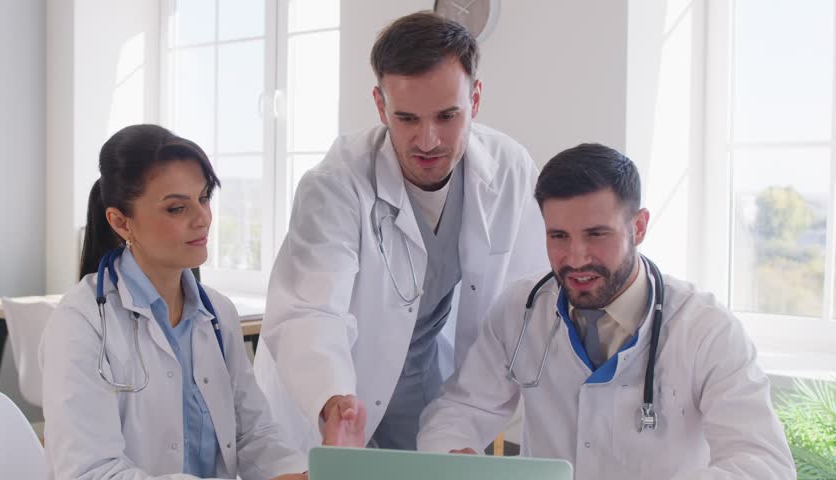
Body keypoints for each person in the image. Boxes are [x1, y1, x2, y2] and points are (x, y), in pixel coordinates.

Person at [252, 12, 548, 452]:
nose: (427, 140)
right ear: (379, 104)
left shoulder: (509, 171)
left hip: (431, 387)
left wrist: (482, 416)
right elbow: (309, 312)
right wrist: (331, 399)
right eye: (407, 118)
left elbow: (528, 307)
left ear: (476, 99)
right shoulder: (335, 185)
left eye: (447, 116)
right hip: (336, 390)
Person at [416, 143, 796, 478]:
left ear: (639, 227)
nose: (575, 258)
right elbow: (460, 408)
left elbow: (764, 464)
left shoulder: (706, 330)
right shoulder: (521, 309)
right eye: (558, 236)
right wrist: (453, 456)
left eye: (597, 234)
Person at [40, 124, 307, 479]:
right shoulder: (81, 322)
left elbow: (254, 433)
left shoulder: (217, 314)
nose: (203, 219)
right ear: (121, 222)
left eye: (204, 197)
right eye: (177, 209)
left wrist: (291, 473)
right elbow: (89, 471)